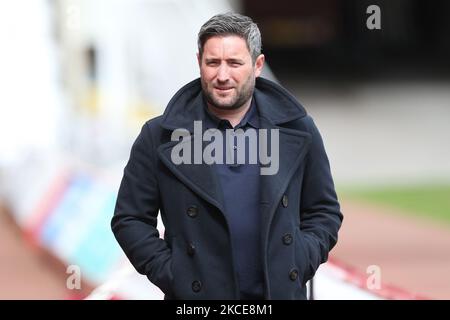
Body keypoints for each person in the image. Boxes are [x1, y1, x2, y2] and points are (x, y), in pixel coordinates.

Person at [111, 12, 343, 300]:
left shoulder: (297, 129)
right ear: (199, 63)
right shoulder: (158, 135)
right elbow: (129, 218)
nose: (222, 75)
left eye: (234, 63)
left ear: (257, 65)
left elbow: (324, 211)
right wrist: (175, 274)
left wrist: (298, 260)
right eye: (213, 63)